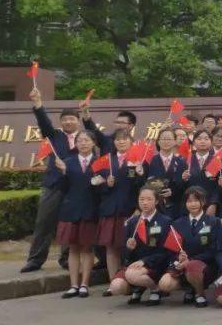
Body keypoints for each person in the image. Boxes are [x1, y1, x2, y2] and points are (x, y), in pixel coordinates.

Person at [22, 88, 77, 273]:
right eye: (66, 119)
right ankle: (35, 260)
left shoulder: (85, 139)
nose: (69, 121)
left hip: (75, 188)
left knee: (70, 225)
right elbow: (43, 123)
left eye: (72, 119)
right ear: (61, 122)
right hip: (53, 185)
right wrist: (38, 102)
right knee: (44, 223)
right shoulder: (54, 136)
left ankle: (67, 258)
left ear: (77, 122)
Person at [93, 128, 143, 296]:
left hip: (130, 210)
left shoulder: (137, 160)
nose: (121, 142)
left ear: (131, 141)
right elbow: (95, 185)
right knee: (111, 248)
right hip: (110, 209)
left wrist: (140, 174)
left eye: (124, 139)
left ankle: (133, 281)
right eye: (117, 139)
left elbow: (141, 188)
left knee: (131, 247)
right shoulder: (106, 160)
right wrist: (107, 183)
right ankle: (113, 282)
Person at [53, 129, 101, 298]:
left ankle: (84, 285)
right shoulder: (67, 162)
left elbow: (102, 191)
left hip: (90, 210)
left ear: (93, 143)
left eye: (87, 140)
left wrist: (103, 182)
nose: (83, 143)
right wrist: (63, 173)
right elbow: (61, 188)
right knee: (73, 248)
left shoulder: (100, 163)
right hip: (70, 210)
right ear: (76, 143)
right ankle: (73, 285)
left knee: (87, 248)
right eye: (80, 140)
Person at [107, 186, 172, 305]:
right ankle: (137, 288)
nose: (145, 203)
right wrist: (129, 249)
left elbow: (167, 252)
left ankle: (155, 289)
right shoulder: (132, 222)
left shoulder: (165, 221)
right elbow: (124, 255)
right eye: (141, 199)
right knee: (116, 287)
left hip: (155, 265)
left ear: (156, 201)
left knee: (132, 275)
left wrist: (144, 261)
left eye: (149, 199)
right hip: (134, 266)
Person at [157, 187, 220, 307]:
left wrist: (190, 260)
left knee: (192, 266)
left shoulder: (213, 221)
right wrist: (178, 257)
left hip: (205, 266)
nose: (193, 204)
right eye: (189, 201)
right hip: (182, 265)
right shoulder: (177, 223)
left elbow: (214, 250)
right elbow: (171, 249)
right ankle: (189, 289)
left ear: (203, 202)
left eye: (196, 200)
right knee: (165, 284)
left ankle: (199, 294)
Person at [146, 128, 187, 218]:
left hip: (175, 207)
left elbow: (184, 185)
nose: (166, 142)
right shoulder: (150, 161)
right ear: (158, 141)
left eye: (169, 139)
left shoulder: (182, 162)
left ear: (175, 141)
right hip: (155, 207)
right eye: (163, 139)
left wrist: (172, 191)